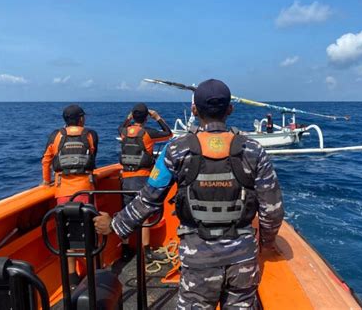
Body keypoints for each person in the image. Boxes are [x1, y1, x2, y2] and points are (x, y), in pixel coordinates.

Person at [95, 79, 284, 309]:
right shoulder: (254, 150)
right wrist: (267, 242)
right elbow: (272, 210)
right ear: (230, 110)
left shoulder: (176, 149)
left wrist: (115, 225)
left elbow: (148, 199)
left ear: (194, 110)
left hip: (198, 259)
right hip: (242, 258)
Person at [41, 104, 99, 288]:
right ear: (81, 118)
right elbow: (93, 157)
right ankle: (93, 273)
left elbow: (46, 160)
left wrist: (46, 181)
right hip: (86, 190)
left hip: (62, 192)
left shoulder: (56, 136)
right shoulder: (90, 135)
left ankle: (72, 278)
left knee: (67, 236)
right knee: (90, 232)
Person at [118, 103, 173, 262]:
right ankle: (147, 252)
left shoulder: (123, 132)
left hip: (126, 179)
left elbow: (121, 127)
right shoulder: (148, 133)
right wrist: (157, 118)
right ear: (146, 117)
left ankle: (125, 249)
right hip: (142, 178)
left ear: (132, 116)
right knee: (144, 216)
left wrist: (127, 119)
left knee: (125, 214)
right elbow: (168, 134)